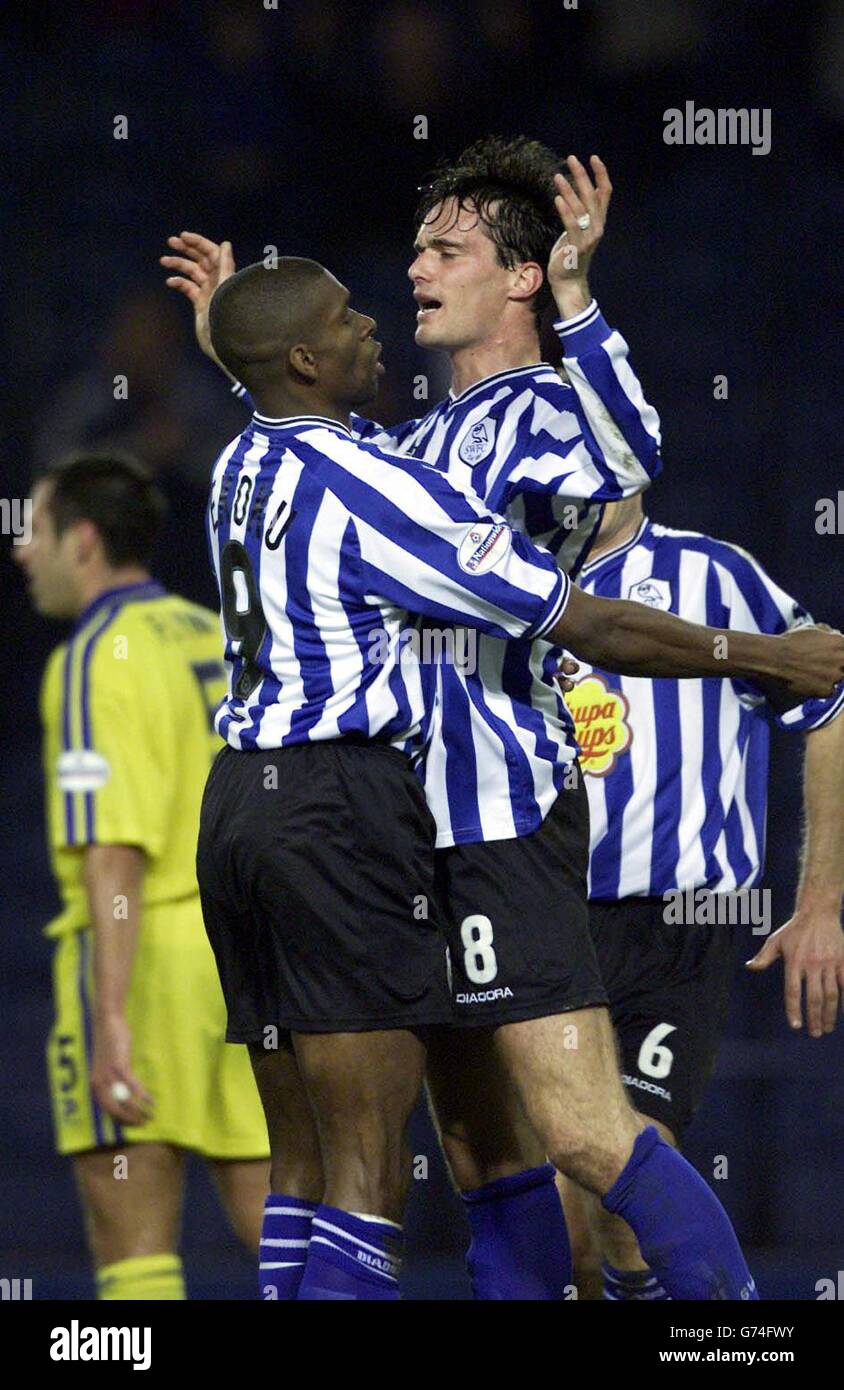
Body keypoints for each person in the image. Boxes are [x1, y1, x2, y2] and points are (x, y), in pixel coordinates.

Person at [194, 252, 841, 1302]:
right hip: (360, 814)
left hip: (256, 810)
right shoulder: (383, 474)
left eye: (441, 250)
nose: (383, 307)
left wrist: (234, 336)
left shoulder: (244, 461)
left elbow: (629, 453)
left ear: (519, 280)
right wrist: (768, 656)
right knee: (395, 1164)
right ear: (303, 359)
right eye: (346, 315)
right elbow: (587, 619)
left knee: (361, 1155)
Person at [555, 493, 844, 1299]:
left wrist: (819, 904)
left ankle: (731, 1334)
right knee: (562, 1227)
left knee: (628, 1167)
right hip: (540, 919)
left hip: (677, 919)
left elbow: (833, 698)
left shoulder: (714, 576)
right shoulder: (516, 572)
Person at [14, 452, 271, 1300]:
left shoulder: (93, 658)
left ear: (82, 541)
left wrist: (110, 1017)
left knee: (134, 1236)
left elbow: (114, 851)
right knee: (278, 1224)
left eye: (35, 531)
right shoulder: (214, 631)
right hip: (248, 954)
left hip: (150, 956)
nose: (20, 551)